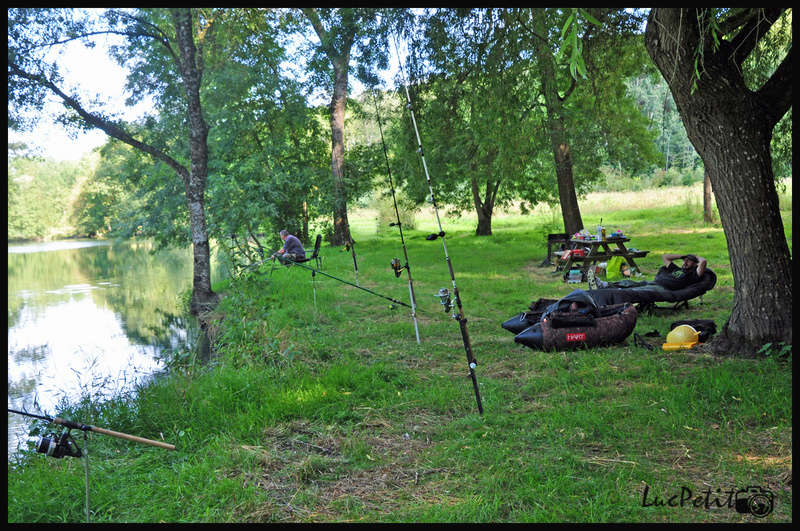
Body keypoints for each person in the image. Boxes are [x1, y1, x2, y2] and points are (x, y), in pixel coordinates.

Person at [588, 253, 707, 291]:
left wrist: (696, 258)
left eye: (689, 261)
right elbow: (665, 257)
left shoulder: (692, 275)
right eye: (685, 261)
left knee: (634, 289)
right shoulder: (676, 269)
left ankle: (604, 288)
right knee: (629, 283)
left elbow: (704, 261)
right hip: (657, 283)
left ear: (695, 264)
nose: (685, 262)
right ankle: (604, 285)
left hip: (664, 289)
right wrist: (682, 256)